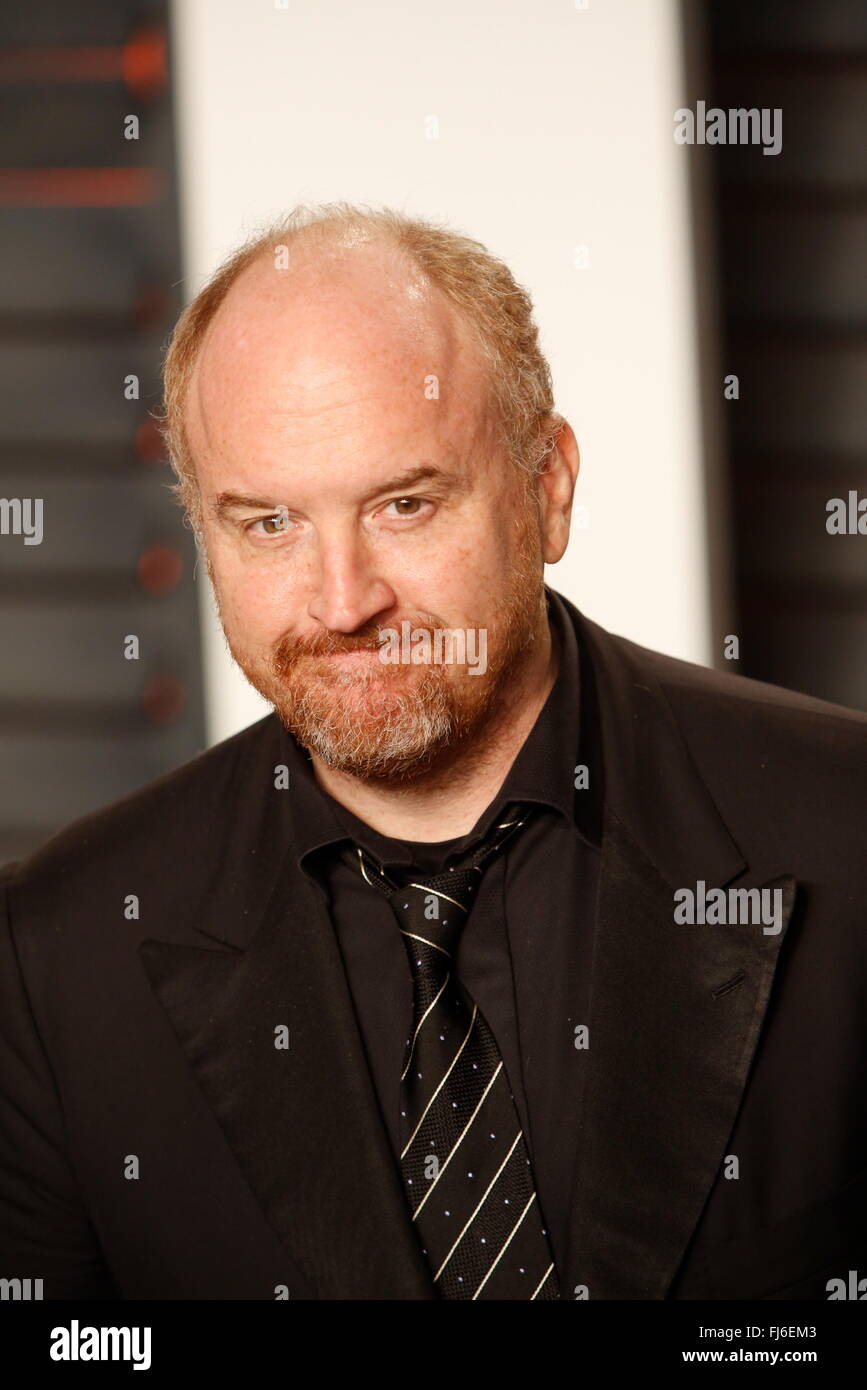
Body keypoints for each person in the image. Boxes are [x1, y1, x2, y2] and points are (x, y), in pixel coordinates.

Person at [1, 204, 865, 1300]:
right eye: (267, 523)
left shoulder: (847, 831)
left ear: (547, 489)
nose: (344, 599)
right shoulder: (55, 958)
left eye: (404, 504)